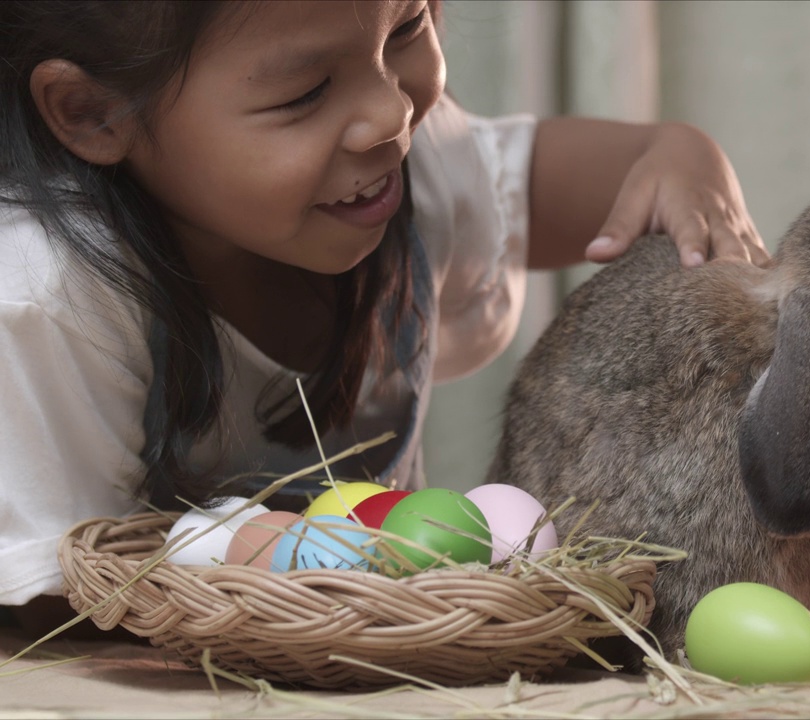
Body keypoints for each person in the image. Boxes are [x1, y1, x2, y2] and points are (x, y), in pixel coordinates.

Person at [0, 0, 767, 634]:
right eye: (303, 92)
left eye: (407, 27)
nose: (391, 112)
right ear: (94, 113)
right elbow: (53, 618)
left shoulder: (416, 171)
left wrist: (688, 155)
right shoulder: (50, 298)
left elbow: (640, 169)